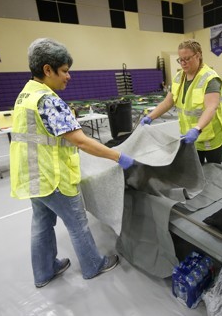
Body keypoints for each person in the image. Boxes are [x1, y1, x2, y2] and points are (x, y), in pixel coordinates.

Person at [10, 38, 135, 288]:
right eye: (64, 71)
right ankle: (93, 265)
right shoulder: (48, 100)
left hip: (32, 174)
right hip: (53, 176)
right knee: (77, 224)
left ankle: (44, 271)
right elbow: (81, 142)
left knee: (42, 223)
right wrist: (118, 157)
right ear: (48, 70)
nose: (68, 77)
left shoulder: (26, 94)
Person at [140, 39, 222, 164]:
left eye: (187, 59)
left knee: (213, 171)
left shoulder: (210, 78)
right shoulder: (179, 77)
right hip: (190, 136)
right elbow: (168, 102)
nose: (182, 63)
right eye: (180, 60)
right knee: (194, 170)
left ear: (198, 56)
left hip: (210, 135)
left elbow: (211, 107)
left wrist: (197, 129)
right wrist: (150, 117)